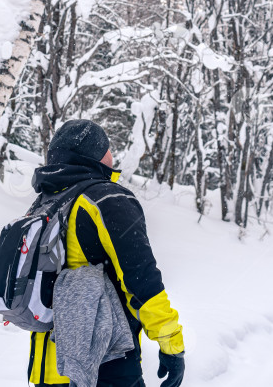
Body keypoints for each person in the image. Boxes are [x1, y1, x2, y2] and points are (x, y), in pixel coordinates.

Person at [28, 120, 185, 387]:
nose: (112, 156)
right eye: (108, 149)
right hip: (104, 363)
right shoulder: (106, 198)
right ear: (94, 155)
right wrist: (171, 343)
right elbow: (140, 277)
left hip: (49, 367)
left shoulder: (45, 204)